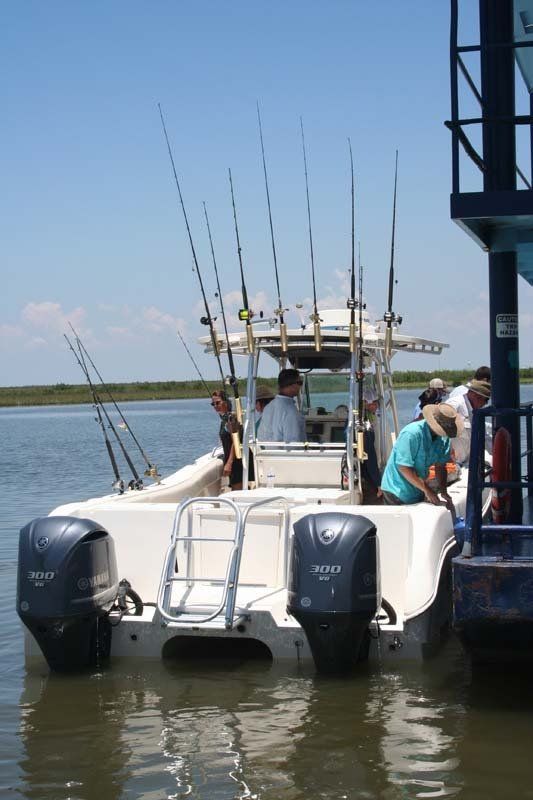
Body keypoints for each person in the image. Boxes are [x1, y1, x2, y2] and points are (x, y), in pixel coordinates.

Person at [380, 403, 463, 508]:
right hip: (396, 490)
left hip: (418, 489)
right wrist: (427, 490)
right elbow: (403, 467)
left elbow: (441, 466)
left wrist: (443, 491)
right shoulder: (411, 433)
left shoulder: (444, 439)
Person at [446, 378, 491, 465]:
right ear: (477, 396)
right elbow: (438, 430)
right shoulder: (455, 404)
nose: (485, 404)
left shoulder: (474, 411)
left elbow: (484, 438)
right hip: (452, 463)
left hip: (466, 462)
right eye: (486, 400)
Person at [258, 368, 305, 443]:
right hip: (284, 454)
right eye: (300, 383)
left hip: (267, 453)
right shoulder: (291, 412)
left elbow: (261, 437)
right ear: (292, 385)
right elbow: (293, 445)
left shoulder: (268, 407)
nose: (300, 386)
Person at [211, 390, 243, 490]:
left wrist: (229, 463)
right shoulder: (224, 419)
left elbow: (236, 440)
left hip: (236, 462)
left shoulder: (231, 418)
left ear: (225, 402)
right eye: (213, 404)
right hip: (230, 459)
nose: (215, 406)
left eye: (218, 402)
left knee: (237, 491)